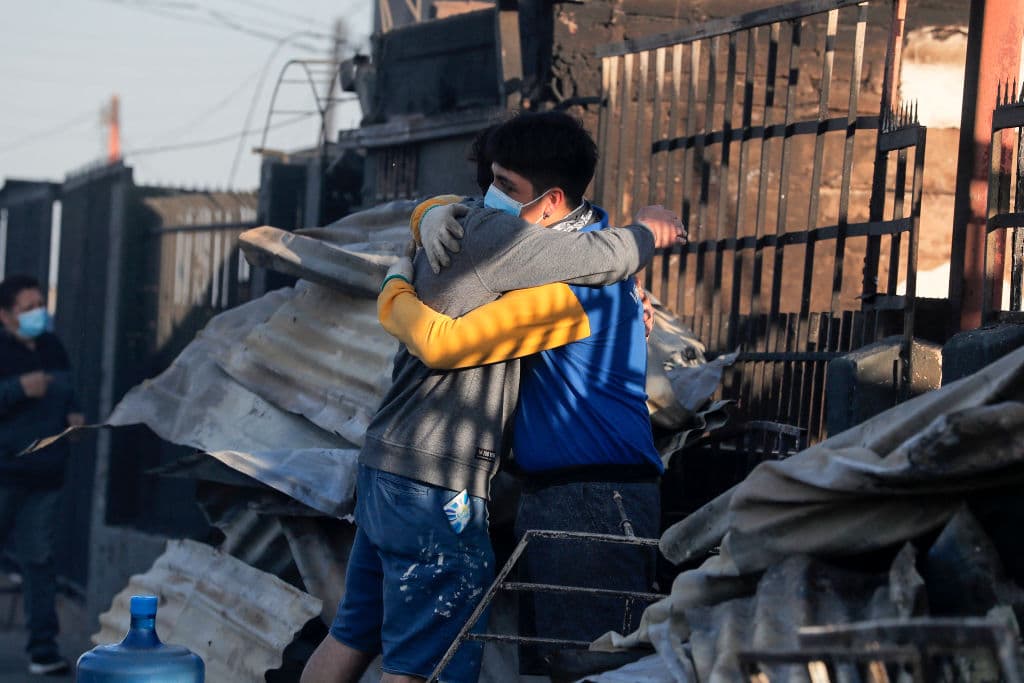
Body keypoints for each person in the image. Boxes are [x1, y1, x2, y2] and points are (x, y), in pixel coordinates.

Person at [300, 115, 683, 683]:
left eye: (507, 185)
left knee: (359, 634)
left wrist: (400, 272)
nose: (489, 196)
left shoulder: (540, 270)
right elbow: (448, 339)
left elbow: (446, 333)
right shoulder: (509, 242)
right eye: (492, 180)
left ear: (552, 202)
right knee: (430, 663)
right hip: (445, 480)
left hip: (585, 490)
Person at [0, 274, 82, 676]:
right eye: (27, 307)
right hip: (4, 472)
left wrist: (73, 417)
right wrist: (16, 388)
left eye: (39, 305)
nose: (37, 313)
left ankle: (43, 650)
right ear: (5, 315)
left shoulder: (52, 346)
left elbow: (68, 392)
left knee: (39, 562)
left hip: (45, 476)